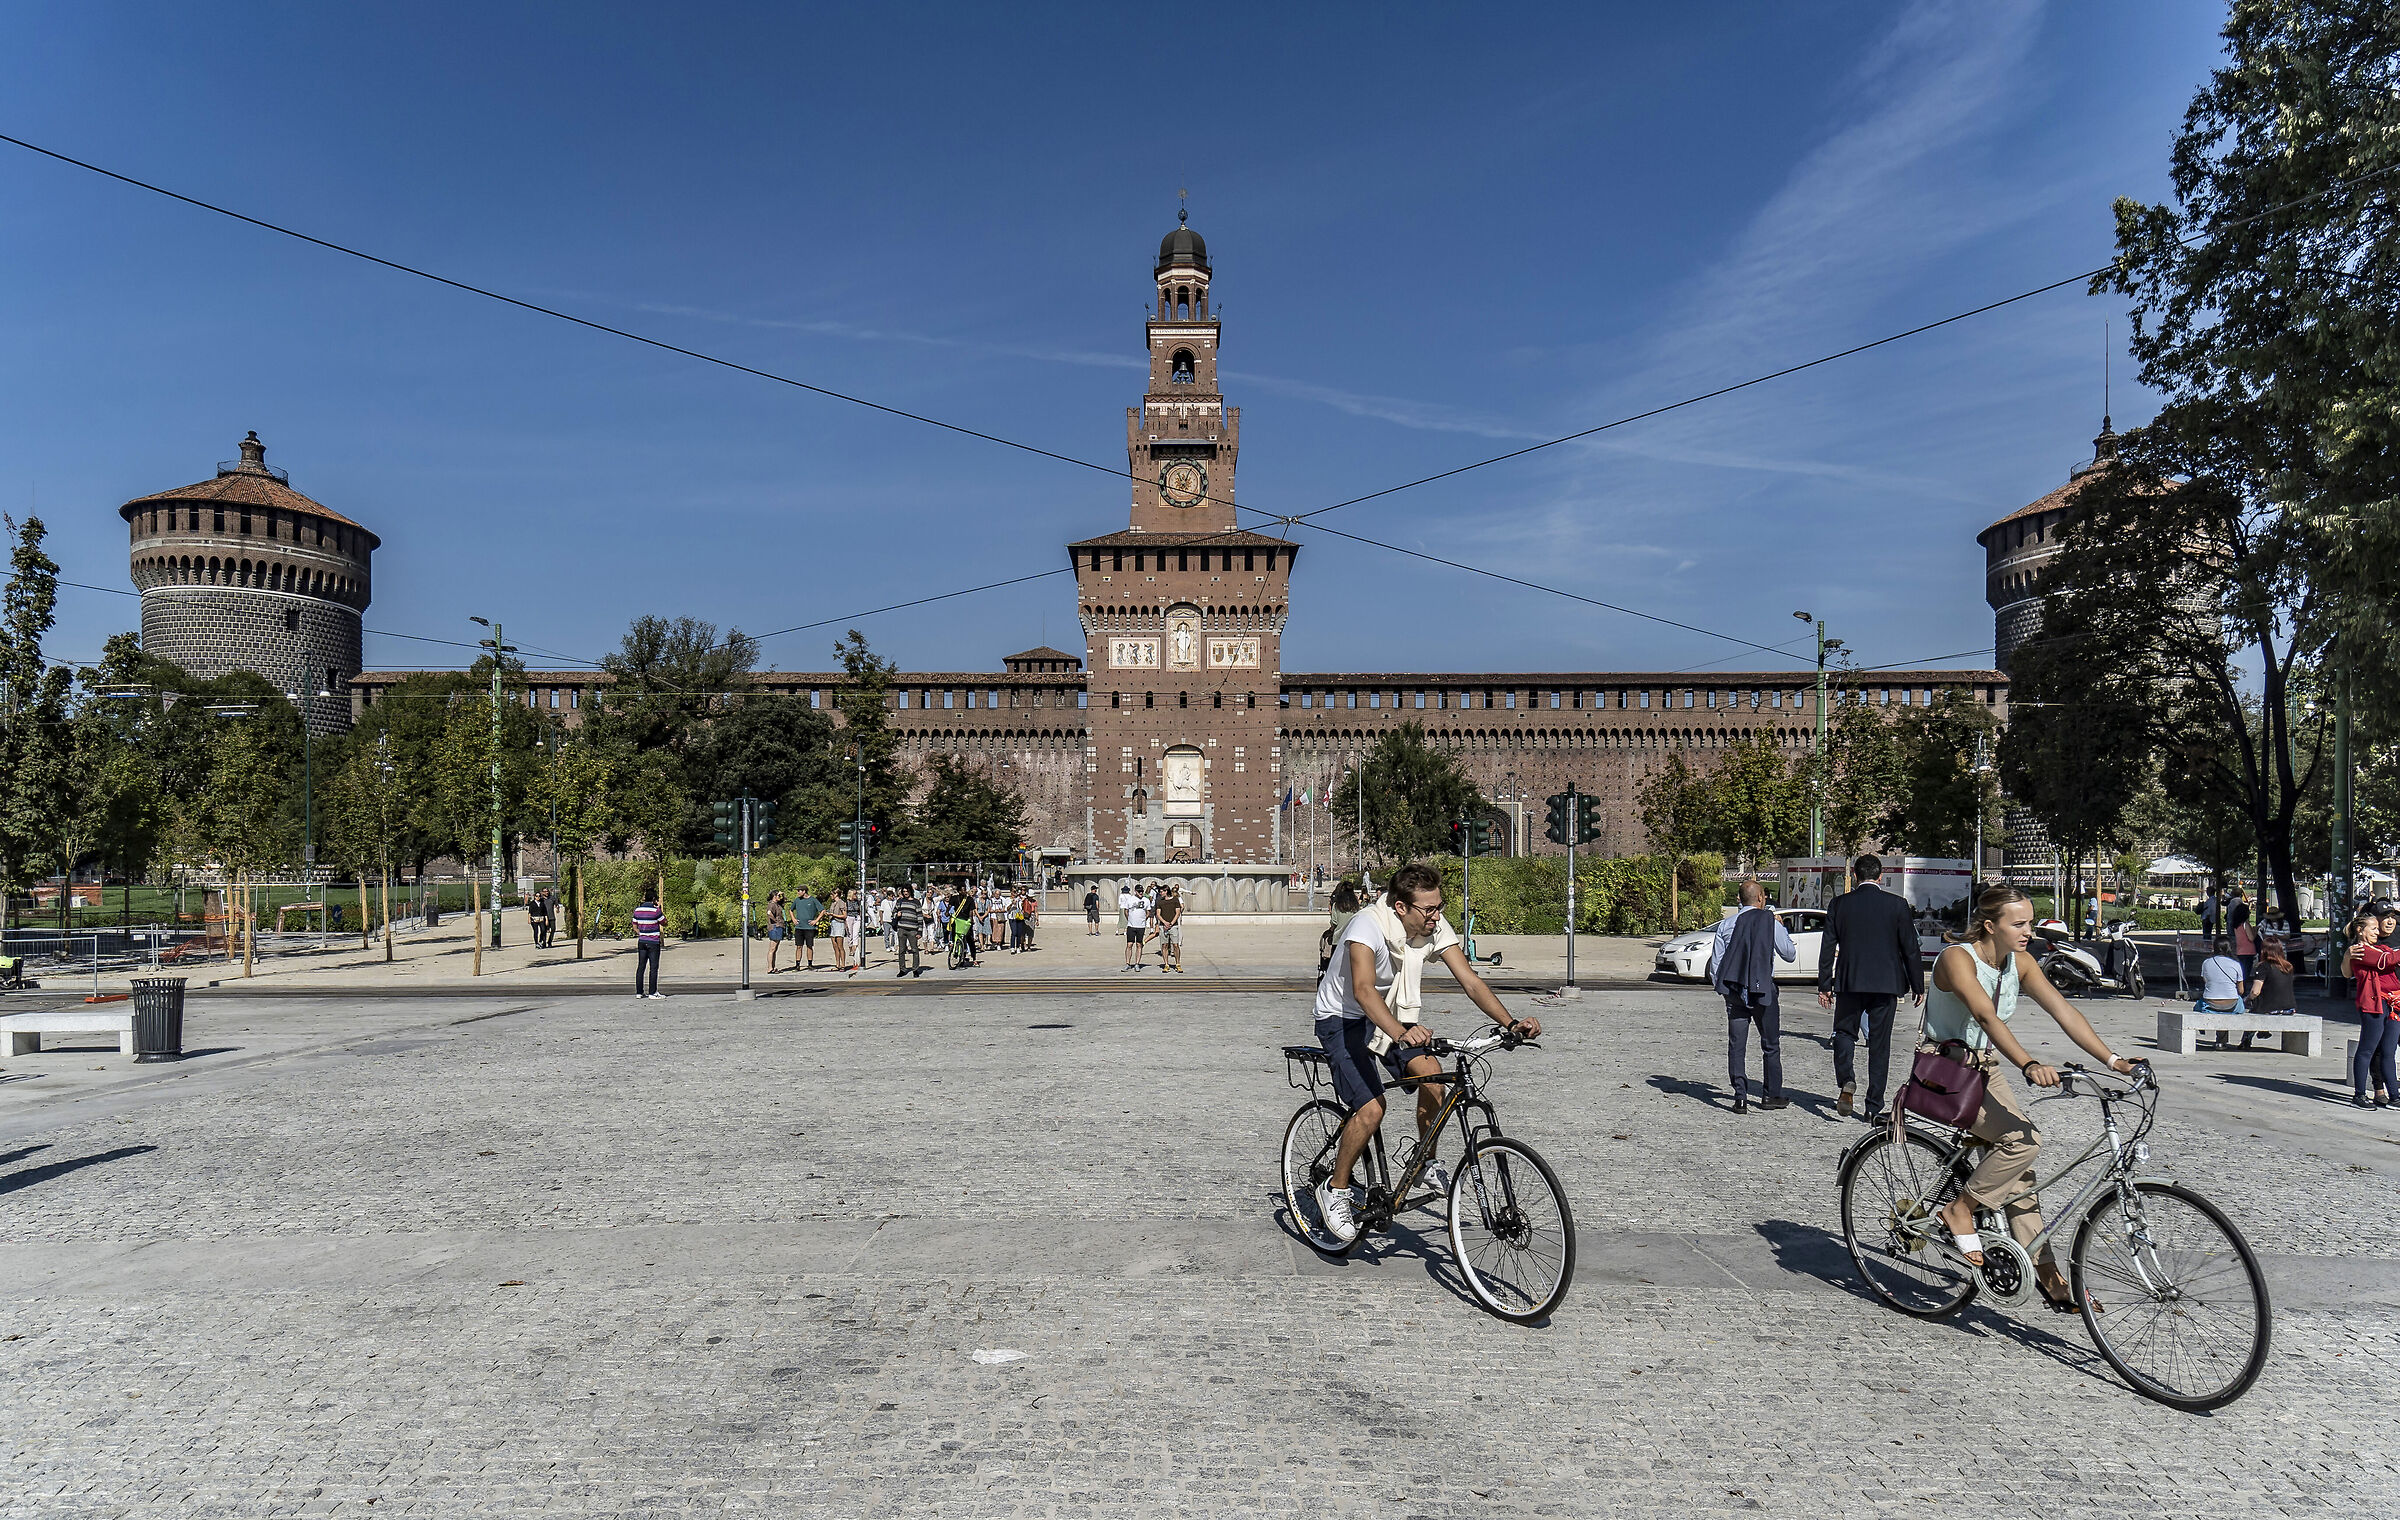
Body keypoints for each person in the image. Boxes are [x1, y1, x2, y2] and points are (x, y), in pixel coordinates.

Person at [1925, 885, 2138, 1311]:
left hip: (1984, 1068)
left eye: (2030, 922)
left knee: (2018, 1174)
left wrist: (2115, 1061)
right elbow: (1984, 1014)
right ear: (1990, 925)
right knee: (2024, 1142)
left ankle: (2048, 1276)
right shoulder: (1956, 959)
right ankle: (1959, 1210)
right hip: (1946, 1069)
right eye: (2018, 924)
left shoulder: (2019, 963)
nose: (2029, 931)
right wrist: (2028, 1064)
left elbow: (2064, 1011)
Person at [1309, 860, 1541, 1245]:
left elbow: (1470, 980)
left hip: (1389, 1014)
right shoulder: (1367, 925)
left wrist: (1510, 1022)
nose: (1437, 915)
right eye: (1429, 909)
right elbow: (1364, 990)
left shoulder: (1431, 927)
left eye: (1440, 906)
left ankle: (1423, 1162)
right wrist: (1401, 1032)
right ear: (1401, 907)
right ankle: (1335, 1189)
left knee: (1434, 1082)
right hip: (1342, 1018)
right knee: (1371, 1108)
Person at [1817, 855, 1925, 1123]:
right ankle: (1873, 1106)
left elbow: (1828, 946)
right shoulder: (1897, 905)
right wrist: (1917, 984)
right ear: (1880, 876)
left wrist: (1824, 984)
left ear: (1854, 875)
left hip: (1850, 980)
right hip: (1886, 983)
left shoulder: (1840, 904)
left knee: (1844, 1032)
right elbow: (1910, 948)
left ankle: (1847, 1080)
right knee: (1879, 1044)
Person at [1707, 880, 1793, 1114]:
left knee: (1737, 1044)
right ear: (1761, 897)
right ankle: (1771, 1095)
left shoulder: (1726, 925)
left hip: (1735, 991)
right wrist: (1780, 927)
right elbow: (1789, 954)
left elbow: (1717, 963)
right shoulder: (1770, 922)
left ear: (1739, 899)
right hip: (1763, 989)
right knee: (1770, 1044)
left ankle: (1740, 1096)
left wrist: (1724, 990)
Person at [2343, 913, 2400, 1108]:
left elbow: (2391, 956)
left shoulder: (2381, 948)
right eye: (2374, 928)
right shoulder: (2359, 950)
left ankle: (2394, 1096)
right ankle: (2359, 1096)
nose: (2378, 932)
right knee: (2366, 1050)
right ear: (2360, 930)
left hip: (2393, 1004)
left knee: (2388, 1051)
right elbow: (2385, 961)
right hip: (2373, 1004)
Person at [2236, 935, 2299, 1052]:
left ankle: (2246, 1040)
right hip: (2289, 1007)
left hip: (2270, 1007)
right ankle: (2263, 1031)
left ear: (2263, 951)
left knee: (2254, 1008)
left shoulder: (2263, 966)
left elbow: (2255, 991)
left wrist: (2247, 999)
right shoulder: (2288, 967)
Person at [2197, 938, 2246, 1022]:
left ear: (2214, 948)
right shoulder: (2236, 964)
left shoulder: (2206, 963)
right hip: (2232, 1003)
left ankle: (2203, 1030)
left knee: (2197, 1007)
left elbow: (2206, 982)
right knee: (2240, 1002)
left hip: (2210, 1002)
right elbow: (2241, 991)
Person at [631, 884, 665, 1000]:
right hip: (653, 942)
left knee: (641, 966)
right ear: (654, 899)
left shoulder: (637, 910)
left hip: (642, 941)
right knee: (653, 967)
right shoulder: (656, 911)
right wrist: (659, 908)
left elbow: (634, 926)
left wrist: (640, 933)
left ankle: (639, 992)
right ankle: (652, 992)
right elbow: (664, 922)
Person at [890, 887, 925, 977]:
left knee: (914, 950)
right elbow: (893, 913)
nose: (905, 893)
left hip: (913, 929)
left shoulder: (916, 902)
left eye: (907, 891)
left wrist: (919, 931)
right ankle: (902, 969)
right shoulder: (900, 901)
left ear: (911, 891)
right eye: (904, 891)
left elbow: (920, 917)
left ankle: (915, 969)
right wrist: (896, 915)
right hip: (902, 928)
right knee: (901, 950)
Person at [2227, 888, 2256, 982]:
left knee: (2241, 972)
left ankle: (2240, 990)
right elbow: (2251, 938)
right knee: (2246, 974)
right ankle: (2243, 992)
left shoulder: (2236, 925)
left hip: (2240, 950)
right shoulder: (2245, 924)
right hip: (2248, 951)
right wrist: (2255, 930)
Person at [791, 887, 822, 970]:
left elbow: (822, 910)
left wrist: (816, 920)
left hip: (809, 928)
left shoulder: (813, 900)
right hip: (799, 927)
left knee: (809, 946)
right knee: (799, 946)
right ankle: (797, 965)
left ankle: (810, 964)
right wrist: (793, 919)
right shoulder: (797, 900)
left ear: (804, 891)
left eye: (799, 891)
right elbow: (791, 910)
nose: (798, 892)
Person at [1155, 883, 1184, 973]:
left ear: (1166, 891)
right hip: (1163, 926)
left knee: (1175, 945)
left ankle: (1178, 964)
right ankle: (1166, 964)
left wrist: (1171, 923)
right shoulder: (1160, 901)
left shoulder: (1175, 900)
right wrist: (1164, 923)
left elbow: (1177, 913)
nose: (1160, 893)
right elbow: (1158, 914)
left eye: (1162, 892)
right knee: (1164, 945)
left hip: (1173, 926)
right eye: (1160, 892)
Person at [1121, 885, 1150, 970]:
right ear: (1135, 891)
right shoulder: (1130, 899)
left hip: (1141, 926)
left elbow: (1148, 912)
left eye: (1142, 891)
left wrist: (1144, 919)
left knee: (1139, 945)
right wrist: (1129, 919)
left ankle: (1137, 963)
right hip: (1131, 926)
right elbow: (1126, 911)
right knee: (1129, 944)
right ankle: (1128, 963)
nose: (1140, 892)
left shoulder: (1146, 900)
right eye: (1139, 891)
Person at [825, 892, 851, 973]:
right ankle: (837, 964)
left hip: (839, 924)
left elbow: (844, 915)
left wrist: (833, 915)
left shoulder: (841, 903)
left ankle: (843, 965)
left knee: (840, 946)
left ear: (836, 894)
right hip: (832, 924)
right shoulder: (833, 903)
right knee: (835, 947)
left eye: (832, 894)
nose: (830, 896)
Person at [764, 889, 789, 974]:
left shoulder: (777, 904)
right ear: (774, 896)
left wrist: (782, 894)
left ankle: (773, 967)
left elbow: (784, 900)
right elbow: (769, 913)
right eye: (778, 895)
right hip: (774, 927)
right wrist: (774, 920)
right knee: (772, 948)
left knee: (775, 949)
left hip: (778, 927)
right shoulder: (772, 904)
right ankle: (770, 967)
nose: (779, 897)